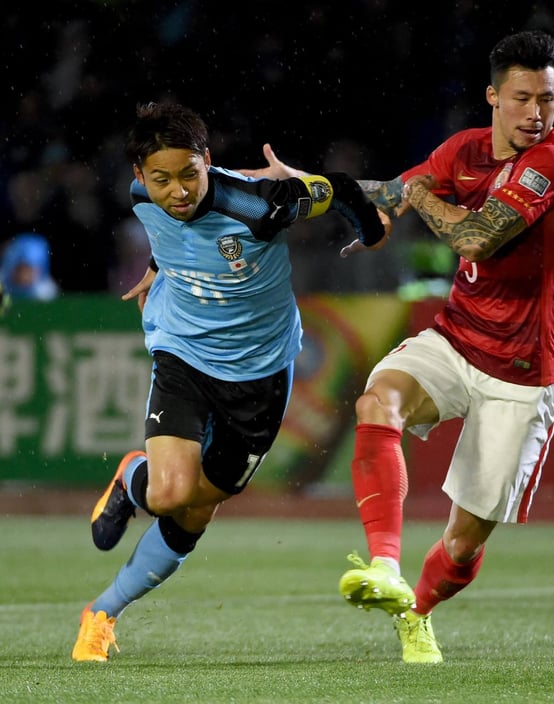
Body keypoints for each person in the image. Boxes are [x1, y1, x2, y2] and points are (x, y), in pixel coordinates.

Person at [243, 29, 554, 663]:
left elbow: (476, 238)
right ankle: (386, 567)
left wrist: (423, 198)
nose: (536, 113)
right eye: (522, 97)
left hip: (525, 370)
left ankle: (416, 614)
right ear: (492, 97)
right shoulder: (465, 150)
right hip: (457, 337)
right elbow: (390, 195)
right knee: (378, 402)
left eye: (548, 99)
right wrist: (305, 187)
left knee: (462, 542)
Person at [71, 101, 388, 662]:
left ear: (208, 162)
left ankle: (103, 601)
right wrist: (155, 270)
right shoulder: (141, 196)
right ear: (139, 177)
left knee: (196, 507)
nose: (178, 192)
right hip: (183, 353)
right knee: (170, 492)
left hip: (260, 373)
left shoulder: (259, 206)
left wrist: (370, 229)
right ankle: (109, 592)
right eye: (162, 179)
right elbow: (171, 239)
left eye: (190, 174)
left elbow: (339, 188)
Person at [0, 232, 60, 301]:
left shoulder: (47, 293)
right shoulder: (2, 283)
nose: (25, 275)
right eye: (22, 268)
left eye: (31, 270)